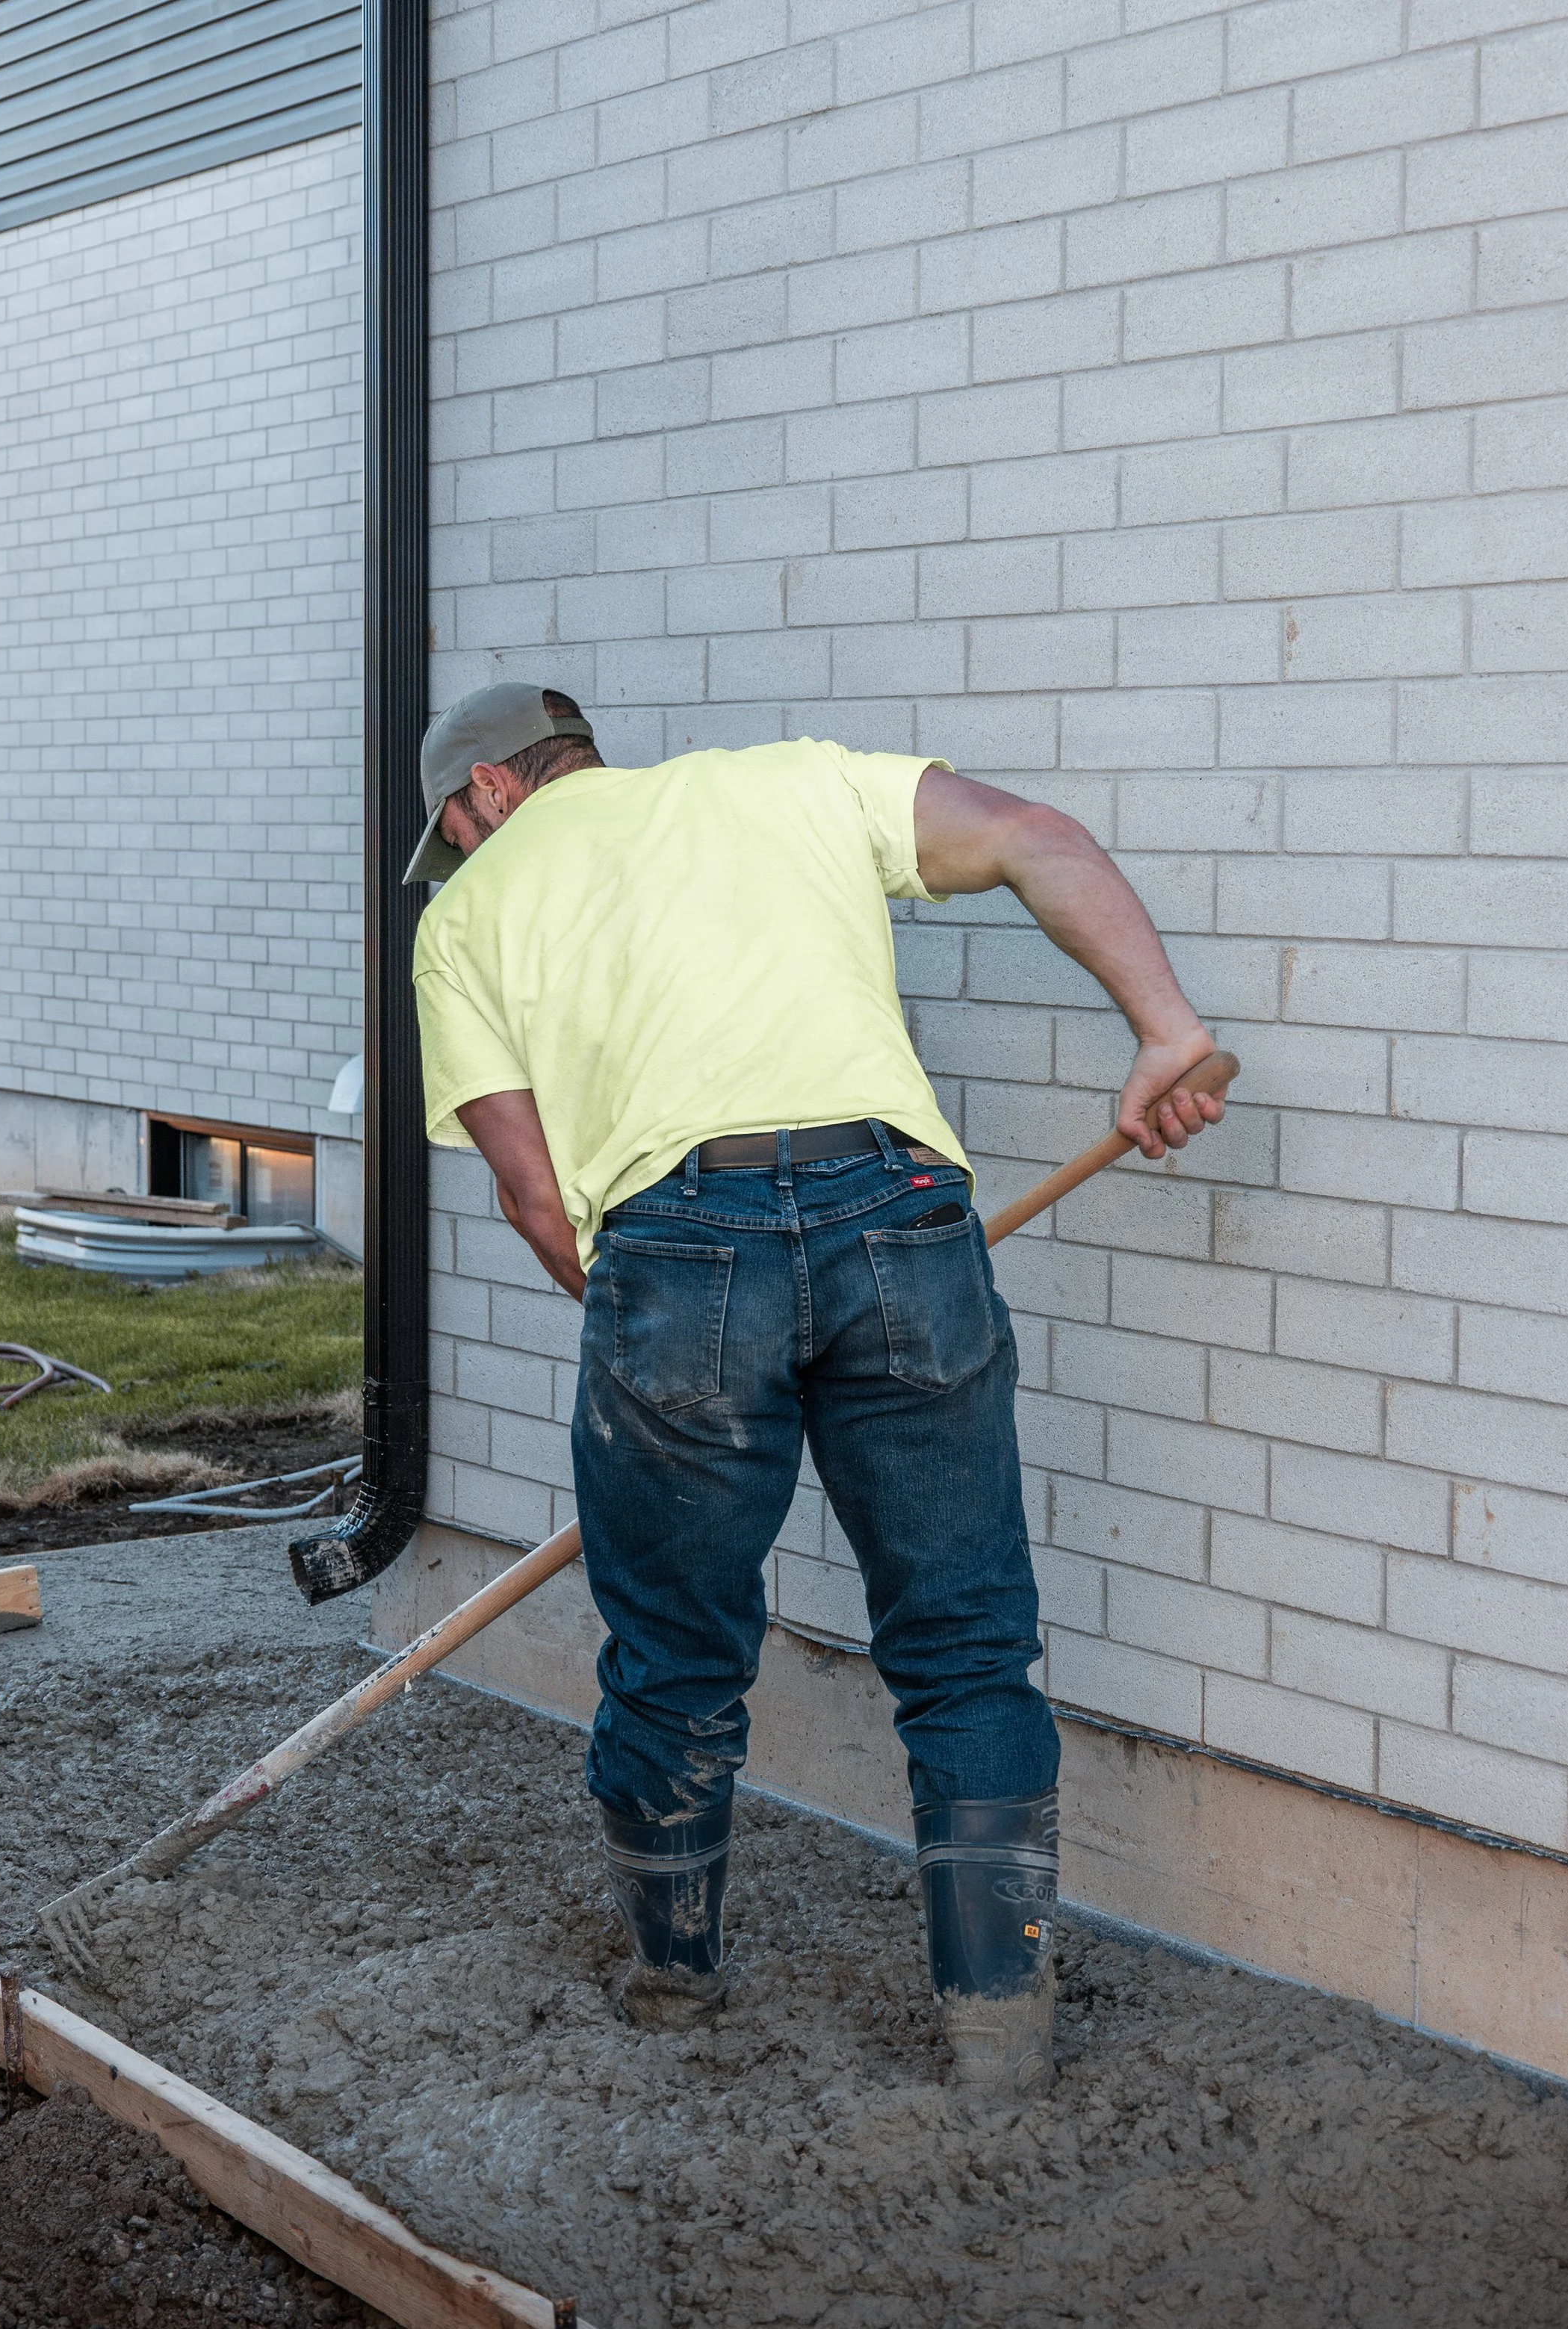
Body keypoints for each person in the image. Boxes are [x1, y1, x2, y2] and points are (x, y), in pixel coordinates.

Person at [406, 680, 1223, 2097]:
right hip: (902, 1213)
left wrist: (653, 1352)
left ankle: (674, 1979)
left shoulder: (465, 919)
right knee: (967, 1643)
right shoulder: (796, 782)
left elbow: (542, 1201)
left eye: (458, 834)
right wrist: (1162, 1030)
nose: (464, 860)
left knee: (674, 1651)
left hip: (674, 1239)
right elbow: (1036, 833)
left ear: (485, 793)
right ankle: (998, 2038)